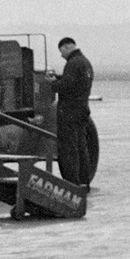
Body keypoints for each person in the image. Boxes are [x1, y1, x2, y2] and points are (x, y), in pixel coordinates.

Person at [52, 37, 98, 187]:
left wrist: (52, 84)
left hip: (69, 111)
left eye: (61, 51)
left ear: (67, 47)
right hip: (82, 109)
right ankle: (83, 183)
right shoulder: (85, 63)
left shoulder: (73, 63)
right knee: (81, 147)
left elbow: (67, 85)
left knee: (69, 149)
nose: (61, 55)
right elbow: (76, 83)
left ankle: (72, 184)